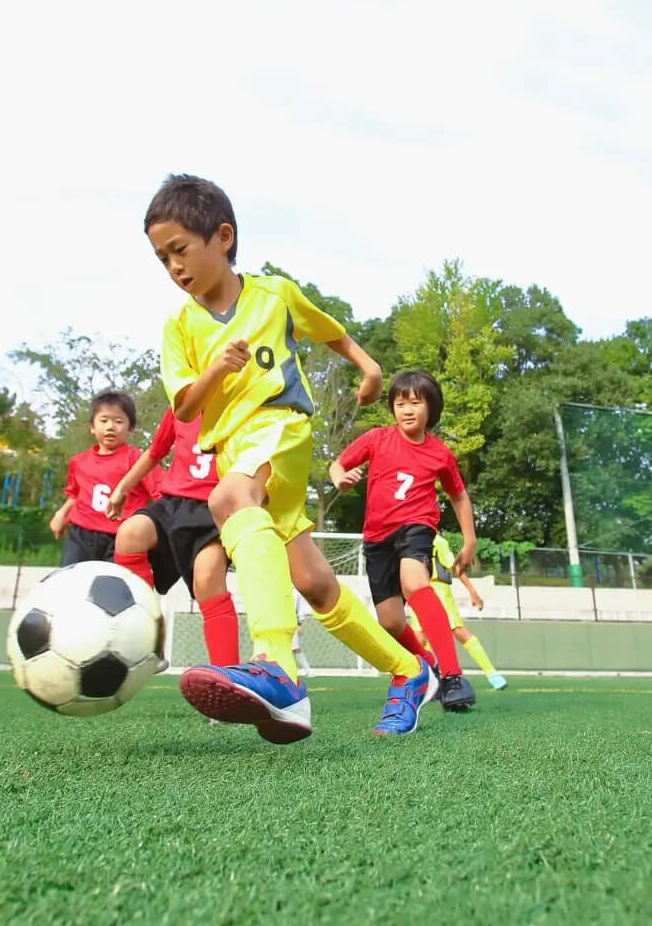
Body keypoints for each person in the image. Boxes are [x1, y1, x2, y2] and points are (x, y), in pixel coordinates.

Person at [145, 173, 437, 743]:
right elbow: (183, 406)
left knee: (228, 498)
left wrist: (370, 366)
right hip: (235, 445)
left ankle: (277, 665)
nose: (174, 267)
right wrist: (215, 370)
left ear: (222, 237)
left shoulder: (274, 295)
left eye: (180, 249)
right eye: (162, 259)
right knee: (313, 581)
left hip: (282, 426)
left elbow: (329, 331)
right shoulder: (178, 326)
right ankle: (409, 671)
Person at [329, 369, 478, 712]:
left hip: (415, 526)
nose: (407, 409)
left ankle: (455, 676)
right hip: (377, 537)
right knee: (391, 622)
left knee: (415, 583)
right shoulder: (377, 438)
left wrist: (469, 540)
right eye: (400, 403)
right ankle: (433, 670)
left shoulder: (440, 454)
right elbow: (337, 464)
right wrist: (340, 479)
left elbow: (459, 497)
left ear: (431, 408)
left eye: (415, 402)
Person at [106, 407, 239, 667]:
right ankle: (147, 644)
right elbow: (155, 452)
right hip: (173, 504)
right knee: (130, 533)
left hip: (214, 510)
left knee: (208, 575)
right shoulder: (182, 404)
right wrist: (122, 488)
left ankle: (229, 674)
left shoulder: (245, 403)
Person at [48, 391, 152, 565]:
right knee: (72, 582)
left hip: (121, 537)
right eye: (103, 421)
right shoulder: (79, 461)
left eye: (118, 421)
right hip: (81, 535)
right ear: (92, 426)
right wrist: (61, 514)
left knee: (113, 586)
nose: (110, 427)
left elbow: (160, 494)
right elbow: (75, 494)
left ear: (130, 428)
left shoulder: (140, 461)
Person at [409, 532, 507, 691]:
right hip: (418, 590)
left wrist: (472, 591)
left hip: (439, 589)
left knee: (457, 630)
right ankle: (431, 681)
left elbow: (455, 567)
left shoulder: (439, 541)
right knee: (419, 639)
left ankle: (492, 674)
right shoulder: (412, 539)